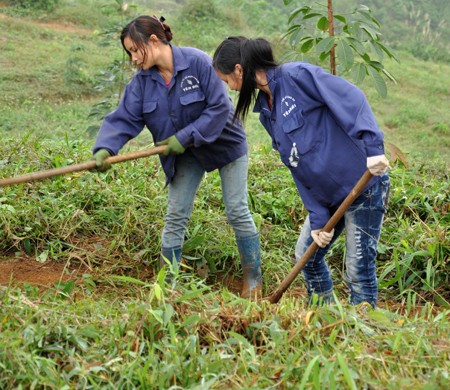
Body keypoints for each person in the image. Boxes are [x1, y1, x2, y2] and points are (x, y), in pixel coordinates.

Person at [212, 36, 390, 308]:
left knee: (358, 270)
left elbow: (351, 97)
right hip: (329, 200)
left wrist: (373, 145)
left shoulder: (297, 77)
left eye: (227, 80)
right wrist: (318, 218)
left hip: (362, 187)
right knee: (306, 257)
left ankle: (363, 336)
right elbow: (297, 166)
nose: (231, 88)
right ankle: (324, 318)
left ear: (239, 69)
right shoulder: (266, 112)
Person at [92, 16, 262, 298]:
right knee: (175, 216)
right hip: (183, 154)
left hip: (225, 145)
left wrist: (183, 137)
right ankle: (166, 287)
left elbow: (220, 108)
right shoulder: (142, 84)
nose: (134, 58)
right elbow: (123, 118)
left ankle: (252, 280)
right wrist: (105, 147)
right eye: (129, 53)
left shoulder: (197, 62)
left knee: (236, 209)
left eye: (136, 50)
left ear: (155, 41)